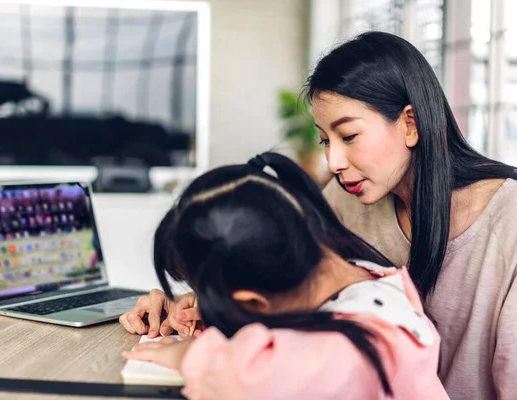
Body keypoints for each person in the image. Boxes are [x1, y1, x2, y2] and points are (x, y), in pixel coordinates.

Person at [121, 31, 517, 399]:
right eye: (326, 139)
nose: (334, 161)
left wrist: (191, 354)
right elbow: (297, 294)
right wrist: (210, 299)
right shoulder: (352, 204)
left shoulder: (508, 222)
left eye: (349, 136)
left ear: (410, 124)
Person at [122, 153, 448, 400]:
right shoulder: (374, 279)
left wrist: (186, 353)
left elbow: (243, 379)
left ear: (253, 300)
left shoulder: (344, 353)